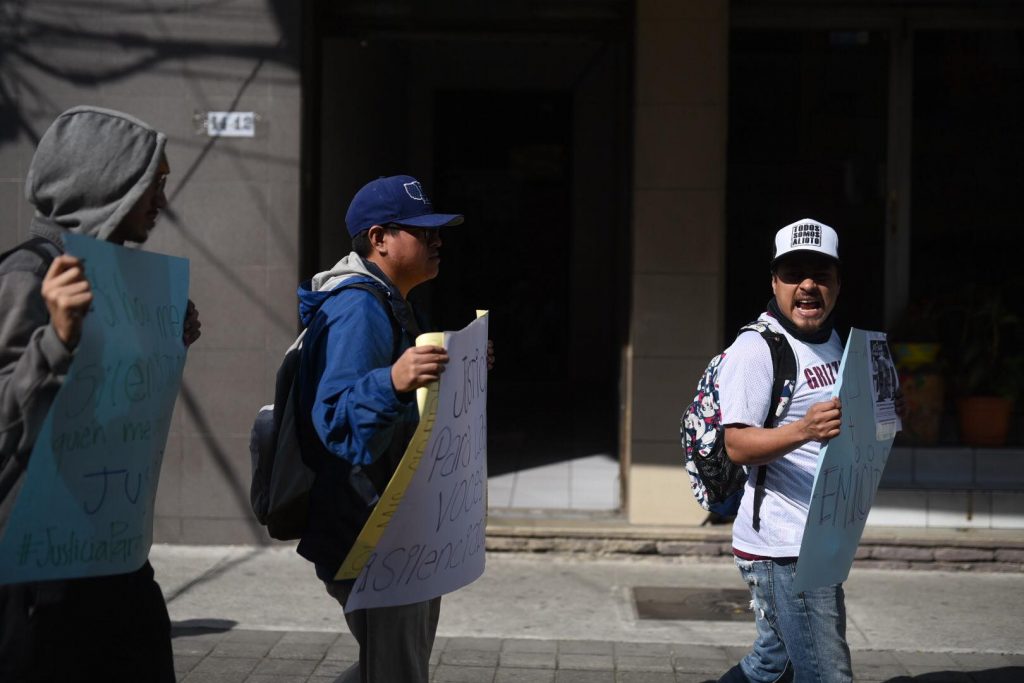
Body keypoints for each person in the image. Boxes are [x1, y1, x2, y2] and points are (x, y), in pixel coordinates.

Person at [0, 106, 201, 682]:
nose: (161, 200)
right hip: (40, 575)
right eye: (152, 183)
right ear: (107, 183)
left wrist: (166, 342)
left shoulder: (124, 284)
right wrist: (56, 338)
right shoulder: (29, 275)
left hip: (112, 557)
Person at [295, 174, 490, 683]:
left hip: (393, 526)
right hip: (371, 532)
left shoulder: (388, 301)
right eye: (423, 232)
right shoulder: (358, 308)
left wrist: (456, 368)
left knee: (389, 667)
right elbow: (337, 423)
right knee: (398, 671)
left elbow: (405, 411)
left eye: (437, 232)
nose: (437, 241)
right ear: (379, 238)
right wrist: (394, 380)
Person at [716, 218, 850, 683]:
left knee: (773, 665)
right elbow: (735, 444)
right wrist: (804, 430)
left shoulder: (838, 341)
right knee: (827, 675)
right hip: (783, 546)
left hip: (822, 537)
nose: (808, 285)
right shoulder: (756, 349)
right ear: (775, 282)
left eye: (821, 274)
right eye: (795, 273)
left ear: (837, 282)